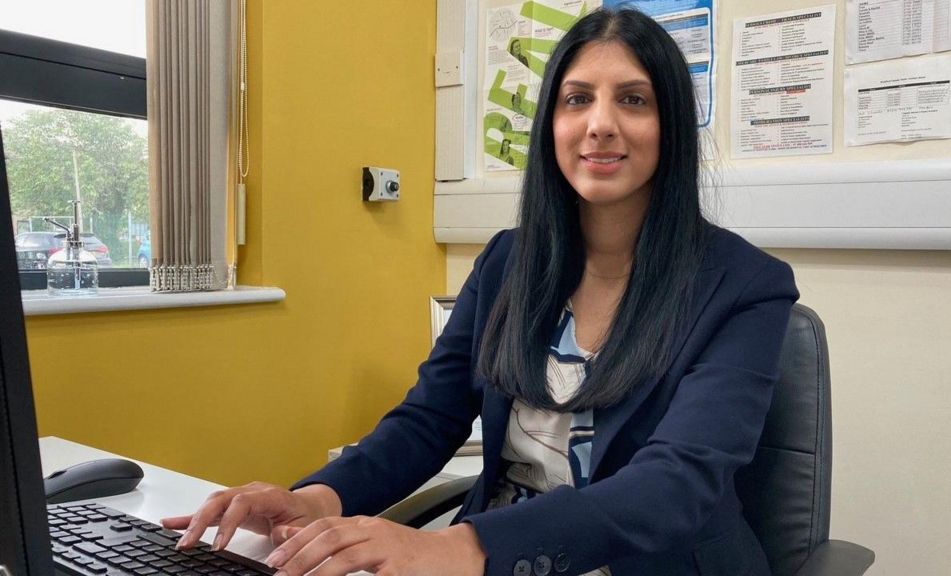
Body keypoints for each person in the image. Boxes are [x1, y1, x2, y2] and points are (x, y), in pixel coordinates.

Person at [164, 8, 797, 576]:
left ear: (671, 127)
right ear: (552, 124)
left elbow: (675, 485)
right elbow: (429, 419)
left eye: (633, 100)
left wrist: (465, 546)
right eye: (577, 100)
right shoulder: (508, 261)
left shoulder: (744, 287)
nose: (600, 124)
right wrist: (314, 499)